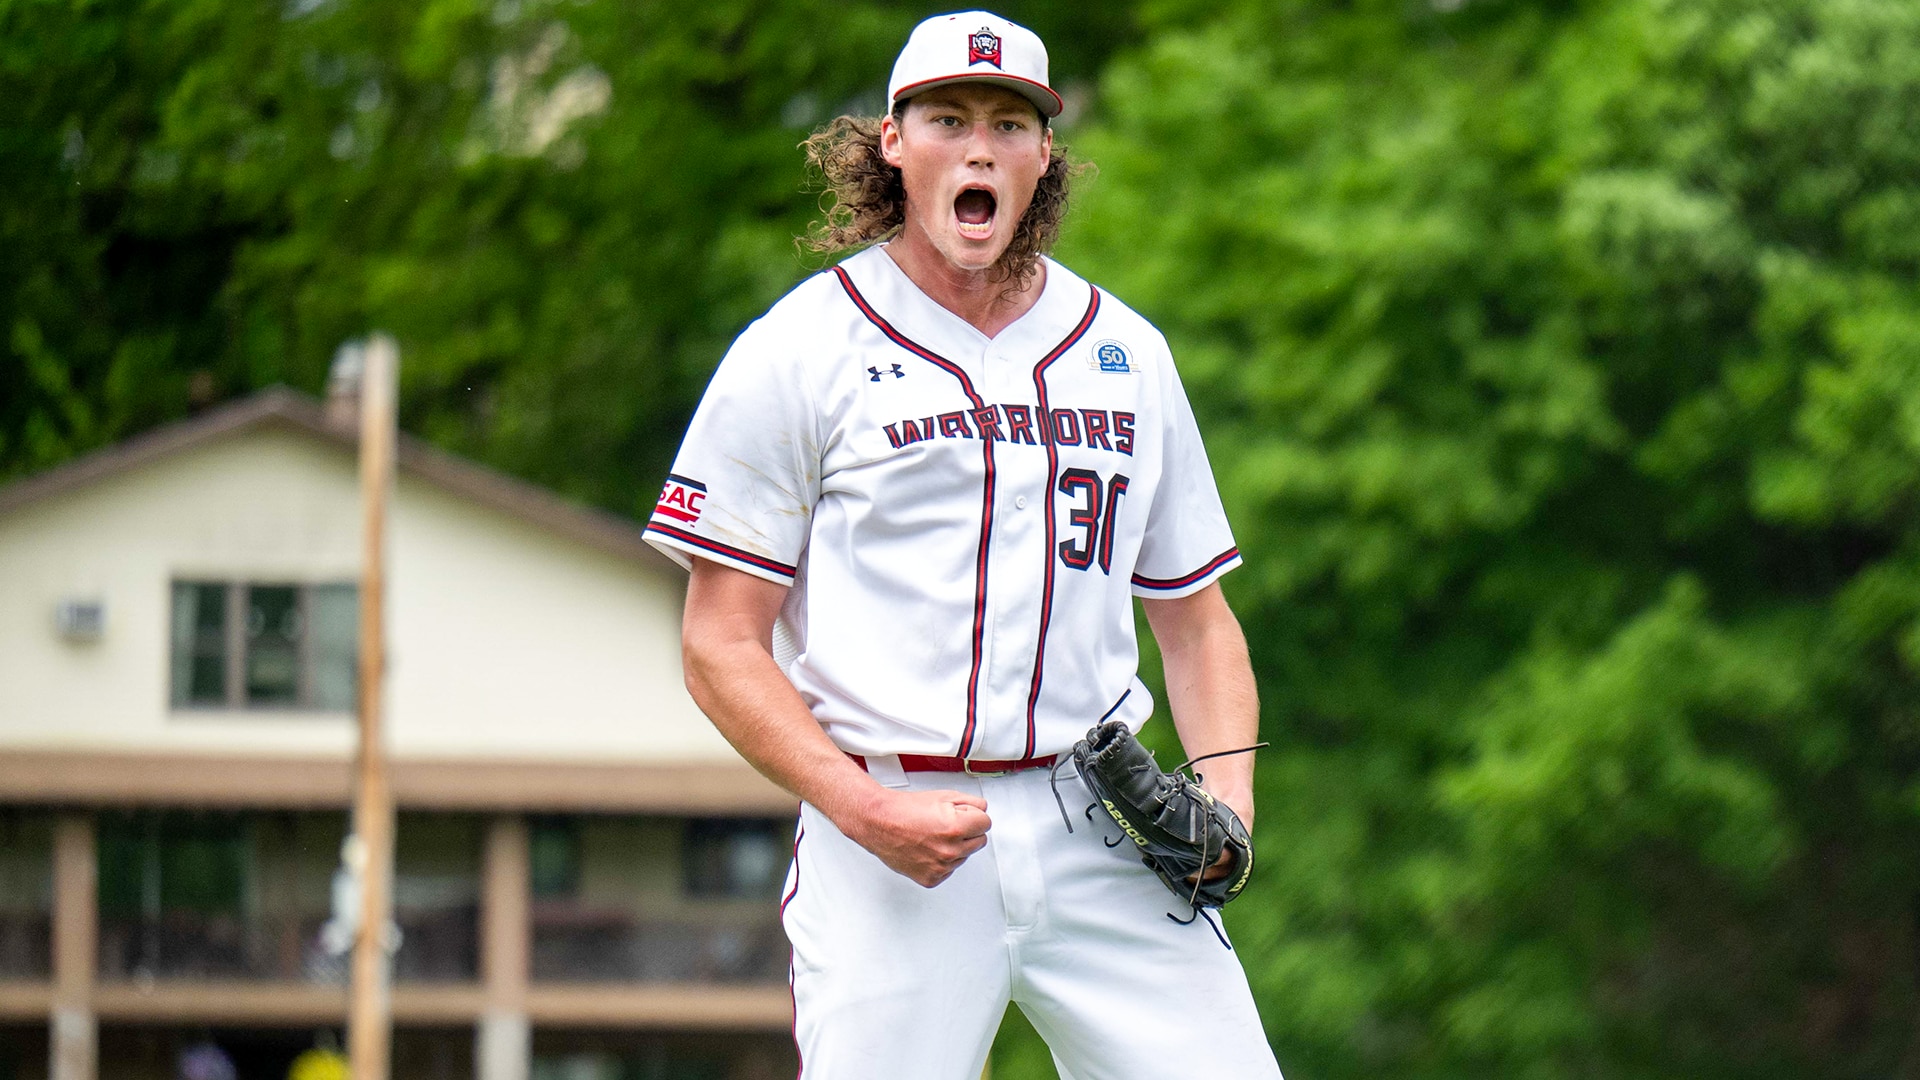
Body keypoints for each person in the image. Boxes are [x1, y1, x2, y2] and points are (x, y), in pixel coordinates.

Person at [645, 11, 1283, 1078]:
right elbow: (719, 642)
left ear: (1044, 155)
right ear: (894, 143)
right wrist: (860, 807)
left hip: (1105, 819)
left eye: (1008, 123)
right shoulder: (800, 349)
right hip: (888, 823)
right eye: (948, 119)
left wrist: (1227, 800)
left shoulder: (1126, 351)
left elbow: (1198, 622)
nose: (979, 147)